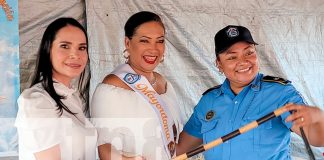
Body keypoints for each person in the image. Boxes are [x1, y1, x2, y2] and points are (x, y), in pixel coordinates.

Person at [176, 25, 324, 159]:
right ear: (219, 64)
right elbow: (181, 150)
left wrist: (319, 118)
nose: (243, 61)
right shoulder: (208, 100)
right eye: (232, 57)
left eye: (249, 53)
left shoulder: (280, 93)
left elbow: (317, 138)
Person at [91, 11, 183, 160]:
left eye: (160, 41)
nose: (154, 49)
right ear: (127, 43)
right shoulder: (110, 89)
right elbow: (104, 149)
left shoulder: (165, 84)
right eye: (144, 41)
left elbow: (175, 137)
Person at [15, 17, 97, 160]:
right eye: (65, 46)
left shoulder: (71, 96)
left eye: (82, 48)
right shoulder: (37, 101)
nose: (75, 55)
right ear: (48, 50)